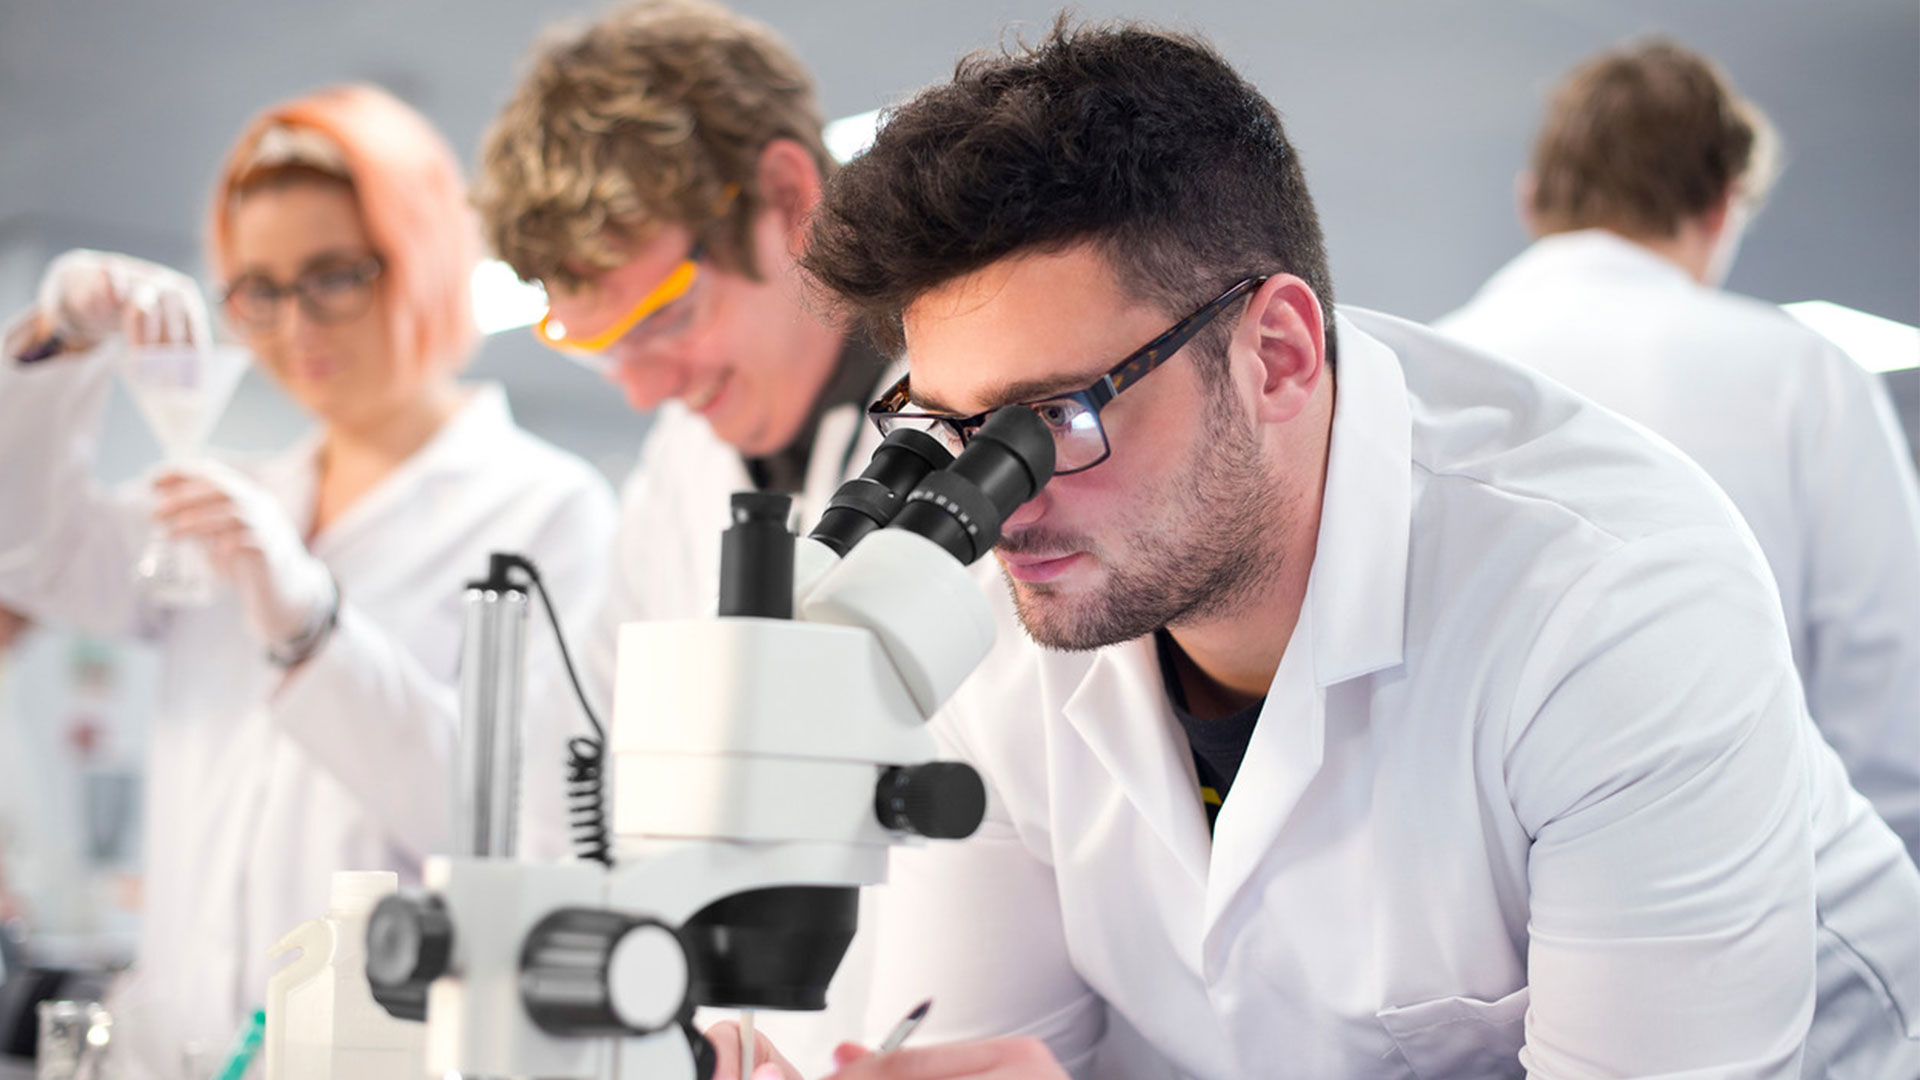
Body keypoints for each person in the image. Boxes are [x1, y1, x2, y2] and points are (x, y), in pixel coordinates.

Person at [709, 20, 1920, 1080]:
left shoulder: (1613, 605)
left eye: (1052, 424)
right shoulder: (1018, 621)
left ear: (1277, 354)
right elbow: (980, 1040)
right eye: (955, 436)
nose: (1004, 510)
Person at [0, 85, 616, 1075]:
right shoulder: (232, 499)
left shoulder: (547, 509)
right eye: (259, 288)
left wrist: (313, 631)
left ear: (418, 259)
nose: (295, 326)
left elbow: (519, 824)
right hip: (172, 1047)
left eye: (334, 275)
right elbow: (29, 551)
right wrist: (57, 340)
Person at [472, 2, 899, 1067]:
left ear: (788, 201)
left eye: (660, 319)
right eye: (600, 347)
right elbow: (593, 770)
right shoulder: (679, 467)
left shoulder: (965, 407)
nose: (644, 387)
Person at [1435, 39, 1920, 862]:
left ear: (1531, 201)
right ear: (1723, 206)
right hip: (1754, 888)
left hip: (1465, 923)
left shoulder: (1417, 381)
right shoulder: (1806, 376)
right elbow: (1892, 713)